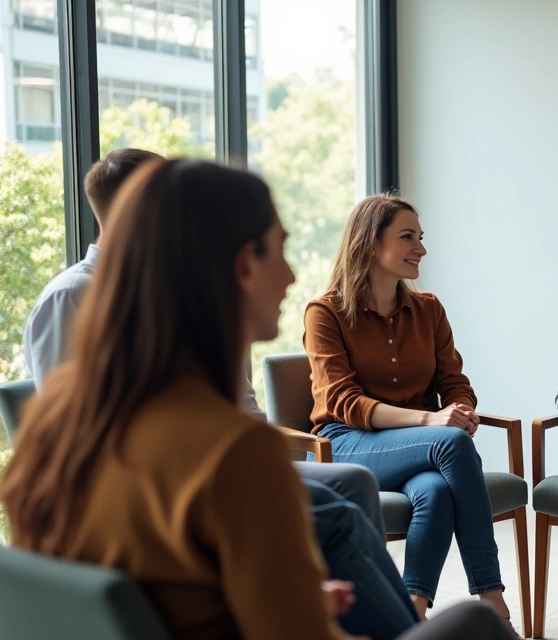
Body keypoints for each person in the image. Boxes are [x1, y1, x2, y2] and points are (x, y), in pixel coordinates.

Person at [0, 159, 515, 640]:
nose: (292, 275)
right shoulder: (235, 451)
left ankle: (420, 610)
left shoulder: (52, 434)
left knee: (349, 514)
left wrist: (291, 596)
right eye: (281, 248)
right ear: (244, 265)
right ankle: (478, 606)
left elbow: (144, 576)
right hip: (358, 443)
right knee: (472, 625)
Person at [18, 148, 388, 567]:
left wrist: (258, 454)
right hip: (170, 479)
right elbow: (82, 427)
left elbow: (234, 401)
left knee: (348, 488)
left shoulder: (170, 297)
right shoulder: (74, 297)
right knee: (338, 519)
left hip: (211, 462)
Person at [304, 194, 517, 634]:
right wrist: (431, 422)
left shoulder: (429, 309)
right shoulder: (325, 312)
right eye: (407, 237)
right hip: (345, 443)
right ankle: (494, 603)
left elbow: (453, 381)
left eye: (420, 238)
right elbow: (346, 403)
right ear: (369, 244)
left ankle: (413, 615)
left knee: (437, 491)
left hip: (418, 449)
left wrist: (460, 409)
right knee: (450, 443)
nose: (420, 248)